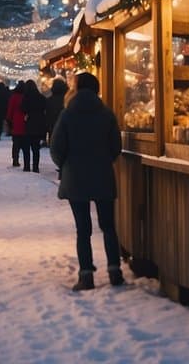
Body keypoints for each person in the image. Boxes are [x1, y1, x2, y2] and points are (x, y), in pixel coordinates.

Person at [51, 72, 124, 291]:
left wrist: (65, 165)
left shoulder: (67, 115)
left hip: (75, 178)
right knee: (108, 226)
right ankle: (114, 271)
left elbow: (56, 148)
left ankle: (86, 276)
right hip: (102, 175)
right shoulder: (106, 114)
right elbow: (116, 147)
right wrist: (103, 160)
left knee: (83, 229)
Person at [22, 80, 48, 173]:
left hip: (28, 124)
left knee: (26, 147)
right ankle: (35, 167)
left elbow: (23, 109)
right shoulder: (41, 98)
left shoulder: (26, 98)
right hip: (39, 124)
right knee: (36, 148)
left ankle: (26, 166)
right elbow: (45, 109)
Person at [6, 83, 30, 170]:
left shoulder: (14, 97)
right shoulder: (26, 97)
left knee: (15, 143)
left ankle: (15, 159)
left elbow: (10, 109)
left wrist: (9, 119)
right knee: (24, 143)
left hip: (15, 122)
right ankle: (26, 161)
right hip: (25, 122)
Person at [46, 78, 69, 148]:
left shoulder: (49, 100)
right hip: (65, 127)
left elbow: (47, 115)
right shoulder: (68, 100)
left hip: (53, 127)